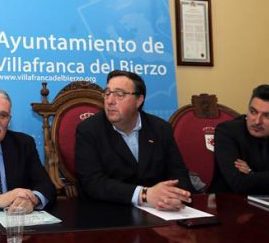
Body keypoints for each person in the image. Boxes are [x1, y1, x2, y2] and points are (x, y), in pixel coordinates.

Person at [75, 70, 194, 210]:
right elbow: (93, 183)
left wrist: (174, 196)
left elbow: (179, 175)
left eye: (119, 94)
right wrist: (144, 194)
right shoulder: (89, 130)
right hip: (109, 212)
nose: (110, 101)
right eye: (107, 93)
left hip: (160, 210)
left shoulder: (161, 129)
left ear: (139, 100)